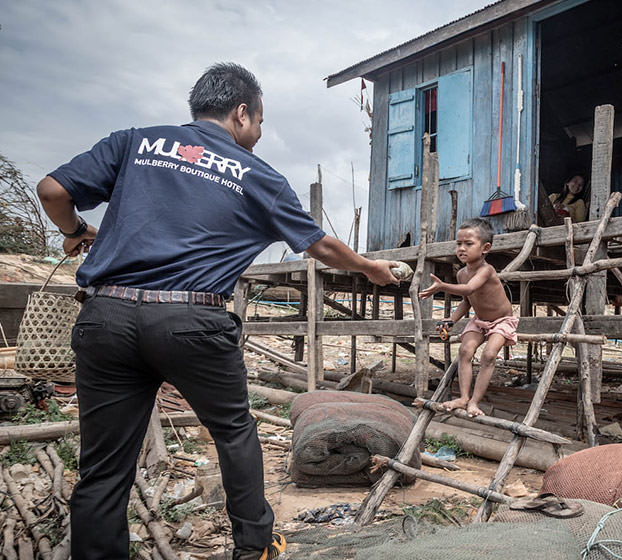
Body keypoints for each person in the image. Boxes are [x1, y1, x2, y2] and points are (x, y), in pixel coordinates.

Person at [36, 62, 399, 560]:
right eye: (261, 123)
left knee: (103, 466)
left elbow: (53, 191)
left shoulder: (135, 141)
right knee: (233, 432)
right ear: (242, 113)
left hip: (107, 316)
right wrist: (371, 268)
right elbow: (322, 247)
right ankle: (254, 548)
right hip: (191, 321)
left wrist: (77, 231)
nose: (260, 134)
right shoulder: (258, 175)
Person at [419, 218, 517, 417]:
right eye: (459, 244)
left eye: (468, 244)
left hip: (501, 321)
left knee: (489, 355)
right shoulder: (462, 273)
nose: (462, 248)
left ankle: (474, 402)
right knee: (465, 350)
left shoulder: (486, 270)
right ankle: (463, 398)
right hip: (479, 320)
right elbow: (467, 300)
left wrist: (442, 287)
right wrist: (451, 320)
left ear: (485, 248)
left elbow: (470, 288)